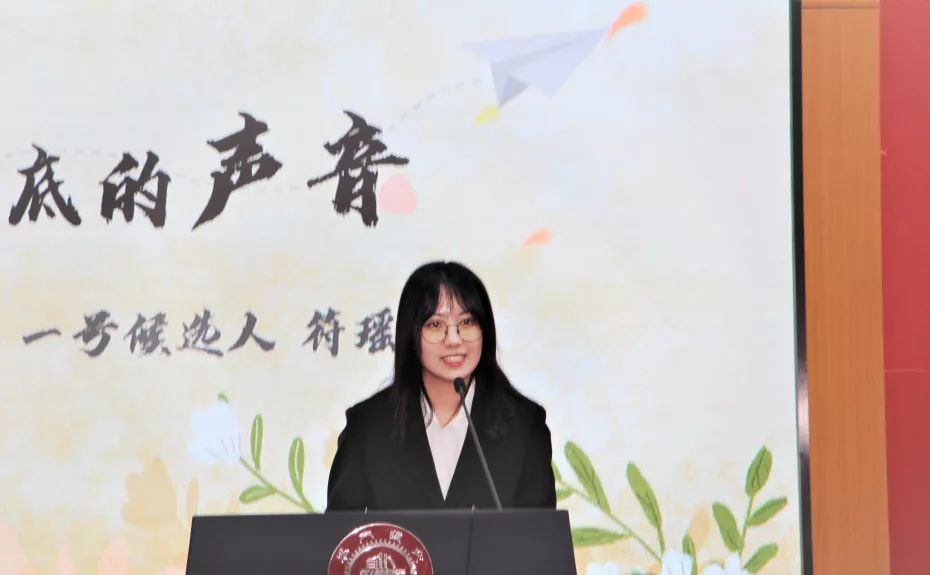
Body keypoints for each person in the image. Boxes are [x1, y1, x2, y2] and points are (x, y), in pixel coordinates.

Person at [326, 261, 556, 510]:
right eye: (435, 325)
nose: (454, 340)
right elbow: (339, 532)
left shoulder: (524, 426)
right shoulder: (369, 426)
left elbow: (539, 531)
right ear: (412, 335)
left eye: (467, 322)